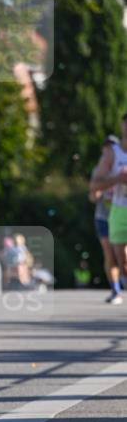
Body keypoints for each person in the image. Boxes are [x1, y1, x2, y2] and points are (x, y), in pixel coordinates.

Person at [91, 113, 127, 303]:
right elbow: (93, 192)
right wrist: (113, 183)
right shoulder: (104, 165)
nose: (107, 150)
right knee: (112, 254)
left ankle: (119, 283)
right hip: (107, 214)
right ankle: (116, 289)